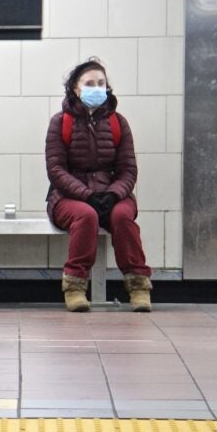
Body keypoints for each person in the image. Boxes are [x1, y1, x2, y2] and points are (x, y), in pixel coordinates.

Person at [45, 58, 152, 313]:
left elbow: (128, 169)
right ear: (75, 88)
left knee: (124, 216)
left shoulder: (118, 122)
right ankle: (75, 288)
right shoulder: (60, 122)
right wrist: (87, 195)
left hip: (112, 192)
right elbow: (56, 170)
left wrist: (115, 194)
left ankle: (138, 287)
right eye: (90, 83)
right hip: (68, 196)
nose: (97, 88)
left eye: (101, 83)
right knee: (86, 215)